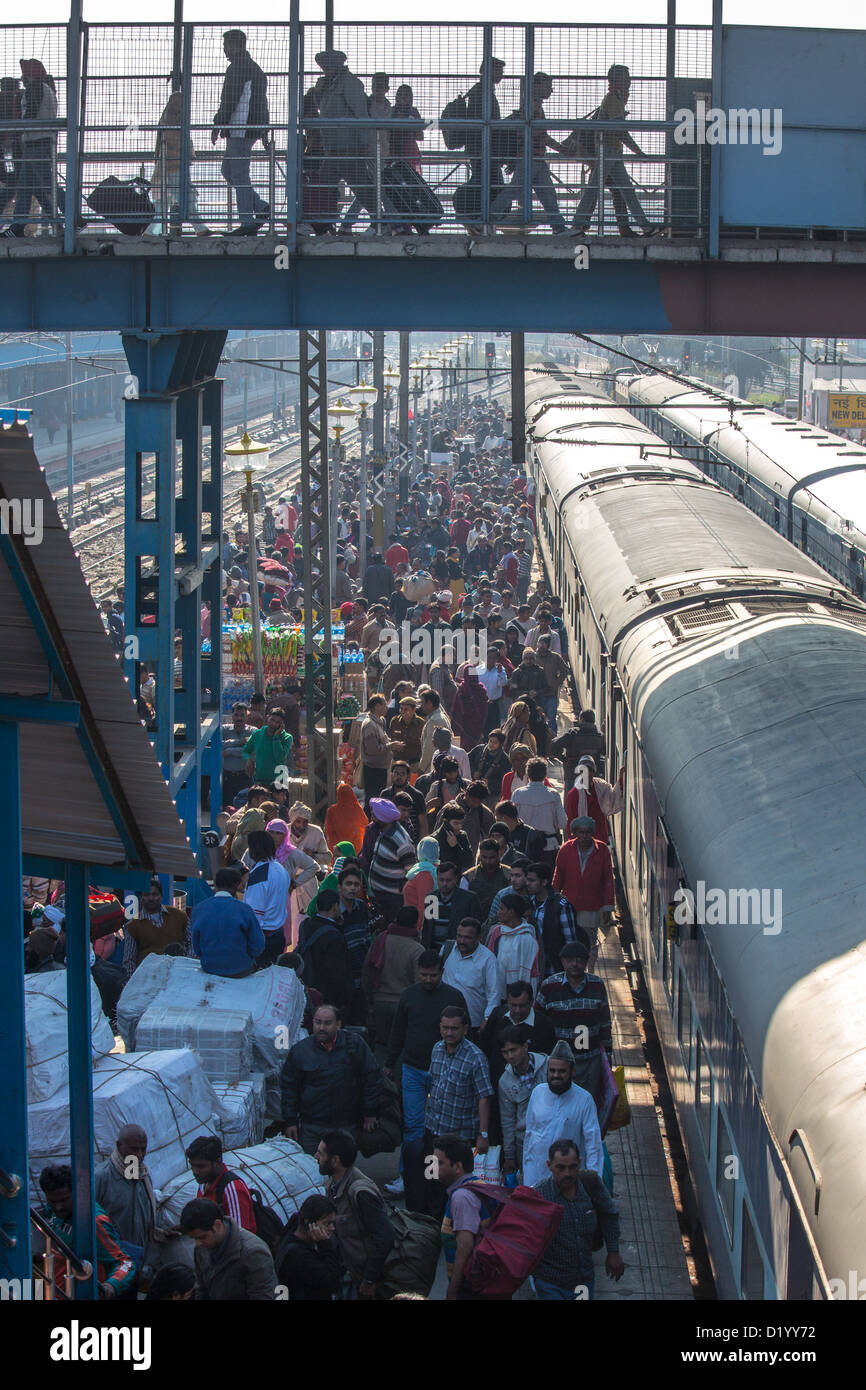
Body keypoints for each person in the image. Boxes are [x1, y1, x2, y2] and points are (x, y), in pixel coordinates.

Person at [384, 950, 467, 1202]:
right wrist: (389, 1062)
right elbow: (398, 1030)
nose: (428, 979)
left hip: (444, 1070)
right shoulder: (408, 996)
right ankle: (407, 1175)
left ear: (442, 973)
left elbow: (465, 1032)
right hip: (412, 1069)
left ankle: (438, 1175)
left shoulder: (454, 997)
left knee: (439, 1128)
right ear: (417, 973)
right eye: (424, 975)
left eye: (433, 975)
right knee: (413, 1126)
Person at [568, 63, 659, 238]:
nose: (630, 81)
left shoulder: (614, 99)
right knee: (597, 188)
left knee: (625, 189)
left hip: (612, 152)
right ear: (617, 79)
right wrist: (638, 152)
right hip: (608, 151)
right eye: (626, 77)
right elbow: (620, 131)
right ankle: (576, 226)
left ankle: (646, 226)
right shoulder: (613, 100)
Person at [281, 1002, 381, 1154]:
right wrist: (290, 1121)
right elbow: (290, 1088)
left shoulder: (354, 1045)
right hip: (312, 1125)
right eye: (318, 1022)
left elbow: (371, 1077)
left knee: (342, 1170)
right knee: (312, 1169)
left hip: (346, 1124)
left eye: (327, 1023)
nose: (321, 1027)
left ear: (338, 1024)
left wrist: (370, 1112)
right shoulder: (300, 1051)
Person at [533, 1139, 624, 1299]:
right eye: (560, 1168)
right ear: (549, 1166)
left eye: (572, 1167)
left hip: (583, 1281)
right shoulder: (539, 1195)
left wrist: (613, 1251)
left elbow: (609, 1215)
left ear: (579, 1163)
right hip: (550, 1282)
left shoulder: (591, 1183)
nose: (567, 1173)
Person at [316, 1129, 395, 1297]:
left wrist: (370, 1280)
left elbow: (385, 1236)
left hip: (362, 1281)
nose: (316, 1157)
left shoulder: (360, 1192)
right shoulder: (333, 1185)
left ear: (335, 1160)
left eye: (321, 1154)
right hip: (348, 1275)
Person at [39, 1165, 137, 1299]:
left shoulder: (94, 1222)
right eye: (52, 1201)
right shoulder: (52, 1212)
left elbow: (125, 1263)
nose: (58, 1206)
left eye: (64, 1200)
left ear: (77, 1192)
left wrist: (111, 1285)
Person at [535, 940, 612, 1102]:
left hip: (590, 1059)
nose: (574, 964)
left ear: (586, 962)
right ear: (562, 962)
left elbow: (605, 1021)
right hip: (559, 1062)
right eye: (569, 960)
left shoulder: (597, 986)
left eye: (579, 960)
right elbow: (538, 1019)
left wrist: (608, 1052)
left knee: (587, 1101)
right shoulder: (549, 986)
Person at [491, 72, 567, 233]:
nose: (550, 90)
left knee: (546, 194)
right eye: (548, 86)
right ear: (536, 86)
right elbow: (540, 134)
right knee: (517, 189)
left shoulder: (531, 105)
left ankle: (559, 227)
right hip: (531, 157)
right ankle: (486, 219)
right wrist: (562, 149)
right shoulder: (533, 107)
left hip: (534, 157)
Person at [211, 29, 270, 236]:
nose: (224, 50)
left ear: (236, 46)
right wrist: (264, 130)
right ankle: (261, 208)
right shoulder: (254, 69)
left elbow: (229, 99)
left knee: (238, 175)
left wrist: (218, 123)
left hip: (240, 128)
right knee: (229, 172)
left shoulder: (237, 68)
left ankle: (247, 223)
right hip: (248, 128)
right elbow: (262, 103)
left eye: (226, 46)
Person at [521, 1043, 604, 1187]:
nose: (556, 1075)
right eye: (552, 1071)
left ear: (572, 1071)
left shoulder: (584, 1100)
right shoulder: (537, 1093)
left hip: (568, 1178)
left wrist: (593, 1182)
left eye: (561, 1071)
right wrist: (525, 1171)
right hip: (536, 1174)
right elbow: (529, 1135)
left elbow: (593, 1145)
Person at [1, 60, 58, 240]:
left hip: (31, 144)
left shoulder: (35, 90)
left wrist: (16, 130)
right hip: (28, 145)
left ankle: (70, 219)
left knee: (43, 186)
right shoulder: (42, 89)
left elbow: (30, 115)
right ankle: (18, 227)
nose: (22, 79)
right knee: (29, 187)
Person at [93, 1125, 162, 1271]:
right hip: (112, 1263)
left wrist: (158, 1232)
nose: (139, 1155)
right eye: (133, 1149)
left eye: (143, 1149)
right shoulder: (101, 1177)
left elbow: (142, 1216)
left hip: (137, 1259)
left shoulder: (143, 1175)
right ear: (119, 1145)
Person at [180, 1198, 275, 1300]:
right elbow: (202, 1290)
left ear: (217, 1225)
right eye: (194, 1238)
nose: (197, 1244)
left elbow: (263, 1296)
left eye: (202, 1237)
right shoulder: (202, 1249)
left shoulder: (253, 1253)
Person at [148, 81, 209, 236]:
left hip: (164, 166)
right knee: (186, 197)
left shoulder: (166, 119)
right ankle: (200, 228)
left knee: (162, 202)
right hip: (175, 164)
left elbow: (160, 145)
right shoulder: (176, 122)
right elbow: (179, 144)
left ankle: (152, 232)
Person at [553, 816, 616, 966]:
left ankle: (589, 969)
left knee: (590, 942)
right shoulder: (566, 849)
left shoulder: (602, 851)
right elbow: (558, 876)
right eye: (581, 832)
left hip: (592, 906)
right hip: (569, 904)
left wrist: (608, 907)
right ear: (574, 833)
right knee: (569, 939)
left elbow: (608, 879)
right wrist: (553, 899)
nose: (584, 836)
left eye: (588, 832)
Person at [434, 1136, 490, 1300]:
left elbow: (465, 1246)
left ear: (457, 1167)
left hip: (470, 1288)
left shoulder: (462, 1197)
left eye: (440, 1163)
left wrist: (453, 1290)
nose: (434, 1168)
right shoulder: (477, 1184)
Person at [362, 903, 424, 1050]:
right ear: (415, 923)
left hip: (379, 1004)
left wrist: (370, 1002)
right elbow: (419, 985)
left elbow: (367, 973)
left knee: (380, 1049)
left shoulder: (380, 941)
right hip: (403, 1007)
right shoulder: (417, 950)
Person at [479, 978, 557, 1086]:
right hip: (497, 1085)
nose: (517, 1010)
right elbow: (484, 1049)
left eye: (522, 1005)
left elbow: (549, 1059)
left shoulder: (544, 1025)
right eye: (513, 1005)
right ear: (507, 1001)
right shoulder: (497, 1016)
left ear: (531, 1002)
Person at [190, 866, 265, 977]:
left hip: (209, 967)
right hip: (240, 969)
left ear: (215, 885)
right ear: (237, 885)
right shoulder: (244, 910)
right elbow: (258, 945)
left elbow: (196, 946)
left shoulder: (199, 909)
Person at [498, 1025, 549, 1176]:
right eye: (505, 1052)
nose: (510, 1056)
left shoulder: (548, 1066)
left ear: (525, 1047)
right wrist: (509, 1155)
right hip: (524, 1141)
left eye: (513, 1050)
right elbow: (507, 1119)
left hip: (551, 1134)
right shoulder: (505, 1081)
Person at [274, 1194, 341, 1301]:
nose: (332, 1228)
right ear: (309, 1223)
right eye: (327, 1223)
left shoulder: (294, 1241)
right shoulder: (299, 1255)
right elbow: (331, 1283)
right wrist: (326, 1246)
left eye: (333, 1223)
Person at [296, 887, 353, 1011]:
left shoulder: (305, 925)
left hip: (306, 985)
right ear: (335, 907)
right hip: (326, 994)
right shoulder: (334, 936)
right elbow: (338, 973)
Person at [186, 1135, 258, 1233]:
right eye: (192, 1165)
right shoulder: (204, 1184)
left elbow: (239, 1235)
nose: (195, 1171)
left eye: (201, 1166)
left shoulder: (232, 1189)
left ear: (217, 1161)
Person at [524, 860, 584, 976]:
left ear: (544, 882)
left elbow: (570, 942)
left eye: (532, 880)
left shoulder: (561, 905)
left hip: (553, 967)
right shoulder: (528, 902)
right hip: (532, 966)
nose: (527, 883)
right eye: (527, 879)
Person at [122, 877, 190, 978]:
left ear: (161, 896)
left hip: (177, 974)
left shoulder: (179, 916)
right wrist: (133, 983)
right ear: (141, 898)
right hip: (148, 978)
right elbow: (129, 961)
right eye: (147, 895)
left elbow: (192, 943)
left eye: (155, 894)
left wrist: (187, 966)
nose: (151, 898)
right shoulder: (132, 926)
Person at [243, 829, 292, 966]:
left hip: (264, 939)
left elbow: (255, 915)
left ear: (255, 849)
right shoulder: (280, 869)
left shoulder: (259, 874)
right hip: (277, 934)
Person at [441, 918, 499, 1030]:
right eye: (459, 936)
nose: (462, 941)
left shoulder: (488, 959)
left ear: (479, 938)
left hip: (473, 1024)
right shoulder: (447, 949)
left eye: (467, 937)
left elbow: (494, 993)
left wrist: (487, 1019)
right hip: (445, 1021)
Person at [366, 796, 417, 920]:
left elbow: (411, 873)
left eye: (376, 816)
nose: (372, 818)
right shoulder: (383, 832)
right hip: (379, 898)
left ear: (385, 818)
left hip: (392, 901)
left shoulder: (402, 841)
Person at [485, 891, 540, 1000]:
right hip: (497, 990)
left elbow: (533, 970)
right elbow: (488, 959)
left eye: (501, 909)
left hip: (520, 993)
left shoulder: (528, 937)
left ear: (511, 912)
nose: (498, 912)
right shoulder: (497, 932)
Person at [512, 757, 568, 862]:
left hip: (524, 846)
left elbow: (512, 822)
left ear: (527, 774)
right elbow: (562, 823)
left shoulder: (518, 794)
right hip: (548, 847)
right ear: (545, 775)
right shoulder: (553, 795)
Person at [420, 859, 481, 950]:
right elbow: (428, 929)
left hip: (457, 950)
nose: (444, 884)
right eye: (441, 880)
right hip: (434, 949)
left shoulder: (468, 899)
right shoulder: (432, 898)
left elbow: (475, 929)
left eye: (448, 880)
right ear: (437, 879)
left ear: (456, 879)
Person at [564, 755, 623, 845]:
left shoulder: (601, 787)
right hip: (583, 841)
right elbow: (570, 823)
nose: (587, 773)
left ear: (594, 772)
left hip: (600, 836)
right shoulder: (573, 795)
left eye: (589, 770)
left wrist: (622, 778)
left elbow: (614, 799)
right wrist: (572, 844)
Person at [551, 709, 606, 791]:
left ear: (582, 720)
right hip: (592, 777)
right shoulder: (599, 736)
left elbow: (554, 744)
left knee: (571, 800)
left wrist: (564, 759)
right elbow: (604, 752)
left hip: (572, 774)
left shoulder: (573, 734)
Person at [360, 695, 400, 804]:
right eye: (384, 705)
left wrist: (393, 744)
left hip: (381, 767)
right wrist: (391, 746)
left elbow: (384, 740)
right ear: (377, 706)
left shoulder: (380, 721)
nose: (387, 707)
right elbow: (373, 750)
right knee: (373, 800)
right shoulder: (370, 725)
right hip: (373, 770)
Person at [463, 836, 509, 921]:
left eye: (491, 857)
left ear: (499, 855)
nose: (487, 861)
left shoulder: (509, 874)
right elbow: (463, 904)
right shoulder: (468, 877)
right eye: (484, 857)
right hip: (476, 923)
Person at [244, 707, 292, 786]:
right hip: (260, 779)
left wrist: (276, 737)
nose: (274, 724)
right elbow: (246, 751)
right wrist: (249, 760)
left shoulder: (287, 738)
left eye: (278, 722)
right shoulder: (257, 734)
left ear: (282, 724)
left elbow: (279, 757)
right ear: (267, 718)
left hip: (279, 782)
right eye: (272, 720)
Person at [381, 760, 428, 842]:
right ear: (391, 774)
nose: (399, 777)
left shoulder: (417, 795)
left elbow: (423, 824)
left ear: (408, 776)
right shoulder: (385, 794)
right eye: (396, 773)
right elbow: (381, 819)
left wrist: (420, 846)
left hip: (411, 841)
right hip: (389, 840)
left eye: (402, 774)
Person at [401, 834, 439, 932]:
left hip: (415, 927)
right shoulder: (428, 869)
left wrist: (419, 932)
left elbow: (425, 907)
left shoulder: (425, 874)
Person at [222, 701, 254, 807]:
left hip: (245, 777)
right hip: (226, 778)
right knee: (226, 810)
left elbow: (252, 751)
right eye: (236, 715)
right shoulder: (224, 730)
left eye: (242, 715)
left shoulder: (253, 732)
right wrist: (238, 742)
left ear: (247, 717)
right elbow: (218, 746)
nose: (239, 718)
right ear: (232, 716)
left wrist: (229, 751)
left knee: (244, 808)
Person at [534, 634, 569, 732]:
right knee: (538, 718)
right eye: (539, 643)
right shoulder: (533, 657)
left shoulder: (555, 657)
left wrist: (556, 682)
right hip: (537, 694)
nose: (541, 646)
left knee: (552, 719)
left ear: (548, 645)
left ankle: (552, 740)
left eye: (544, 643)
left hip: (551, 693)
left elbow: (564, 670)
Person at [450, 668, 488, 753]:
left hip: (465, 727)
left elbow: (457, 710)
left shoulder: (462, 689)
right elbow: (484, 710)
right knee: (477, 750)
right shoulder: (481, 690)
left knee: (465, 751)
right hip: (478, 726)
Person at [469, 728, 510, 803]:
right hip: (473, 789)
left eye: (495, 742)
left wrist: (490, 782)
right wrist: (474, 772)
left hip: (491, 795)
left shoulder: (505, 759)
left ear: (501, 744)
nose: (491, 744)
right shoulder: (479, 749)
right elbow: (467, 760)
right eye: (490, 741)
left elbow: (504, 780)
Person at [418, 689, 452, 772]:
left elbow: (429, 748)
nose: (421, 706)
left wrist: (421, 768)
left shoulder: (435, 720)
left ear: (429, 703)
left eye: (422, 702)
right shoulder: (441, 717)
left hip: (432, 767)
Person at [389, 694, 426, 772]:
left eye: (406, 709)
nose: (402, 712)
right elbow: (391, 738)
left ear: (414, 710)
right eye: (401, 709)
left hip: (414, 764)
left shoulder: (421, 724)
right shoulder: (394, 721)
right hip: (397, 763)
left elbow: (424, 744)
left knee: (413, 783)